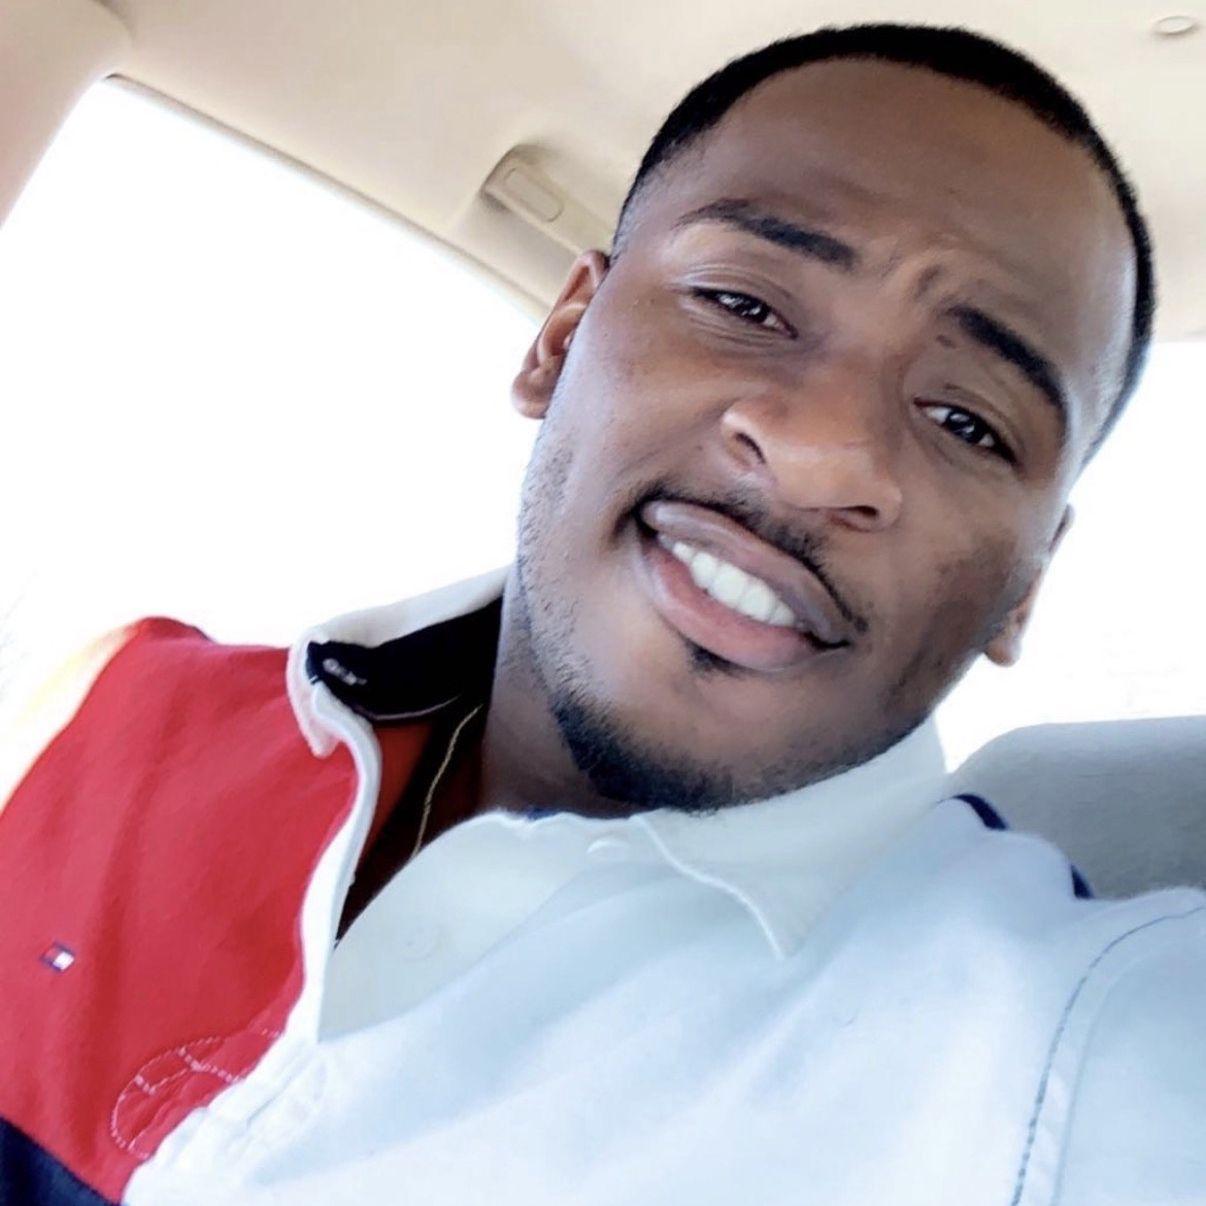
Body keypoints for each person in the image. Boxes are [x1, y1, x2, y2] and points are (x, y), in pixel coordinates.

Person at [1, 21, 1202, 1206]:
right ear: (562, 337)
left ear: (1025, 587)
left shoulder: (1072, 1060)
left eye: (968, 422)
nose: (820, 453)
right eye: (745, 304)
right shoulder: (110, 709)